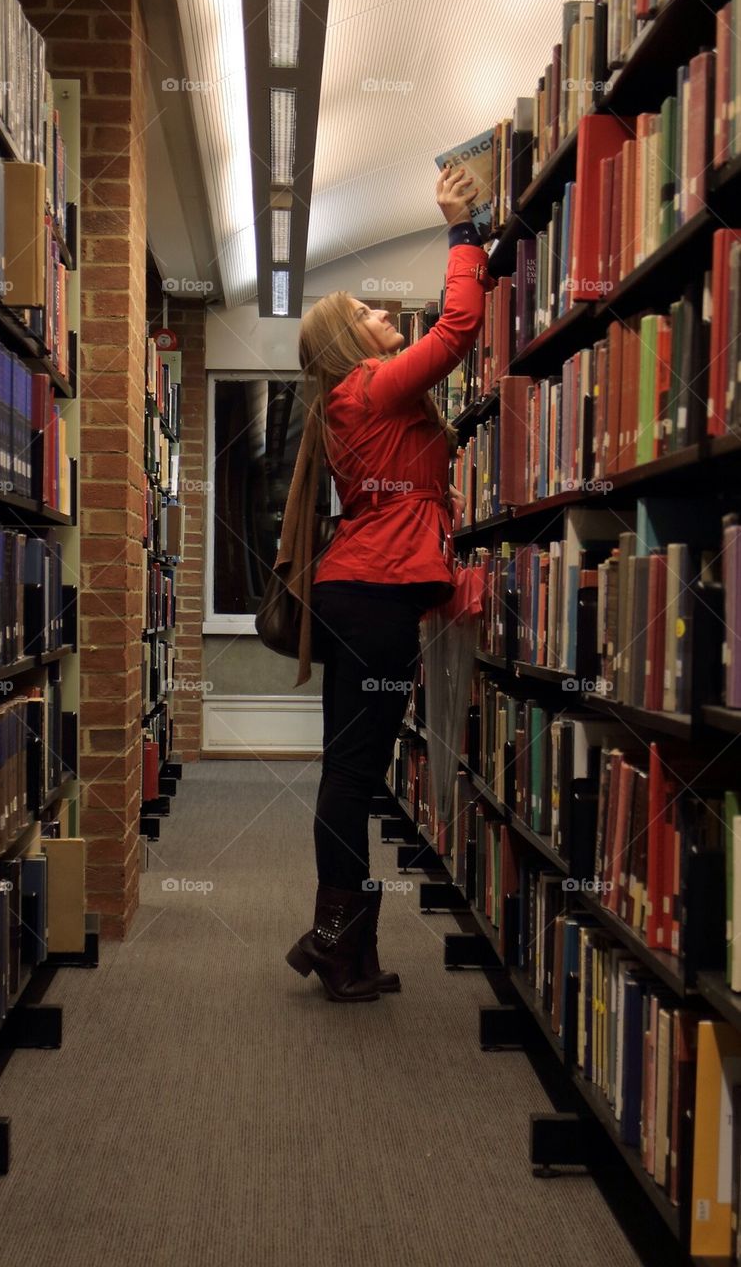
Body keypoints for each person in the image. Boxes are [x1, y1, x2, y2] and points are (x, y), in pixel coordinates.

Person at [285, 165, 494, 1002]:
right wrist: (459, 230)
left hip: (361, 595)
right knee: (353, 772)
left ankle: (345, 943)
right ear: (349, 341)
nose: (384, 317)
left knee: (353, 770)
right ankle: (335, 943)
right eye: (370, 313)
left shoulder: (354, 400)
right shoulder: (367, 388)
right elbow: (456, 331)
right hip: (370, 603)